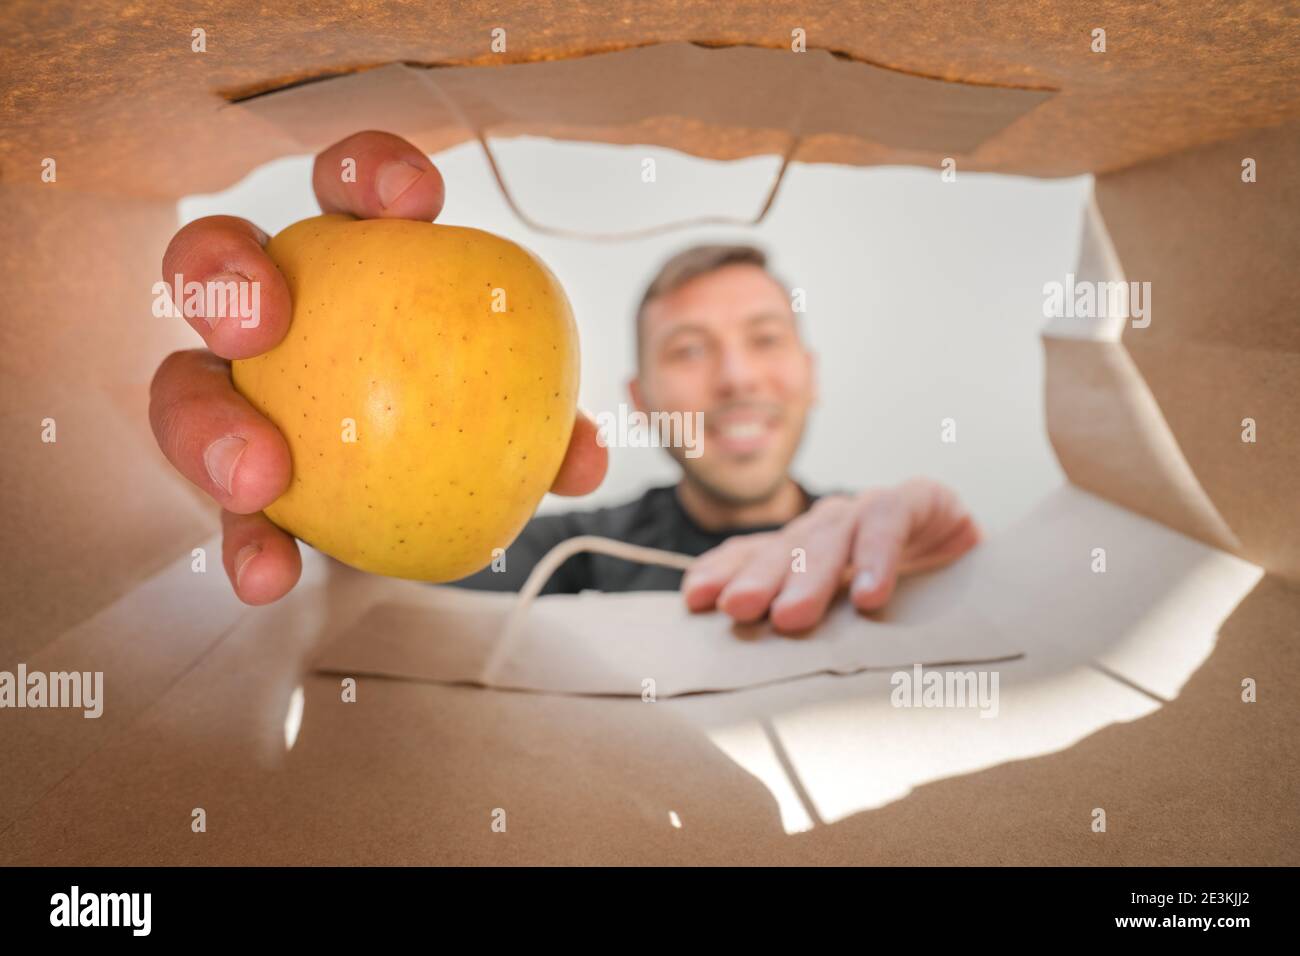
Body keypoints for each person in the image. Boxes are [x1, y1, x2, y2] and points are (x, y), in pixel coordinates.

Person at [150, 131, 980, 634]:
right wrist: (266, 455)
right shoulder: (559, 560)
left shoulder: (890, 538)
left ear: (811, 374)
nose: (735, 378)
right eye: (690, 349)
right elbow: (379, 589)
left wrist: (933, 537)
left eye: (765, 338)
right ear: (640, 399)